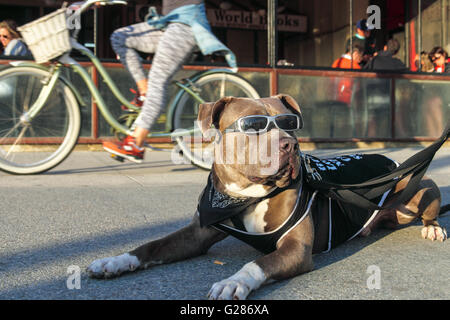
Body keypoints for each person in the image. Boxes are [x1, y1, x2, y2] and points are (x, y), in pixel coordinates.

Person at [102, 0, 237, 163]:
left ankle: (136, 143)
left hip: (185, 25)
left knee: (157, 80)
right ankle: (144, 91)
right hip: (169, 23)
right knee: (120, 37)